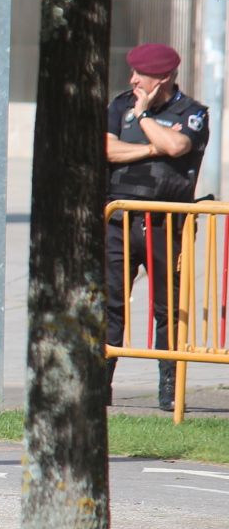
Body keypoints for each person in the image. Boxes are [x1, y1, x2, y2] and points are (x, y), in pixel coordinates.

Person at [104, 42, 209, 412]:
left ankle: (169, 388)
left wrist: (145, 117)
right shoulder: (119, 106)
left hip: (167, 225)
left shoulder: (191, 112)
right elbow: (107, 150)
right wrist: (152, 148)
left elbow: (178, 146)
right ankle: (101, 385)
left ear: (162, 78)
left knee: (168, 308)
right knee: (110, 302)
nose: (132, 79)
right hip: (119, 219)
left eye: (141, 74)